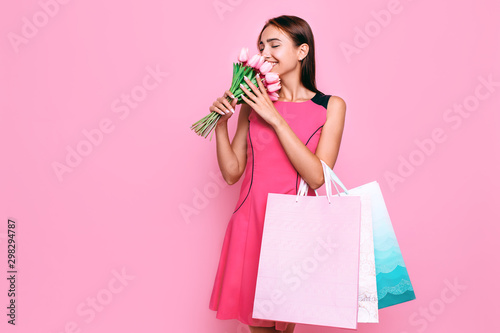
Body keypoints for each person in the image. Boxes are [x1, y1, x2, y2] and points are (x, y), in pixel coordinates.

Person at [208, 15, 346, 333]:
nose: (265, 52)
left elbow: (317, 178)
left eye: (274, 44)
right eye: (261, 45)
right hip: (249, 223)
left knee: (283, 327)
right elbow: (232, 173)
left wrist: (275, 118)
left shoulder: (331, 106)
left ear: (302, 51)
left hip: (294, 228)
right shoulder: (251, 102)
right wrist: (220, 124)